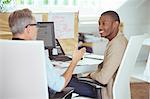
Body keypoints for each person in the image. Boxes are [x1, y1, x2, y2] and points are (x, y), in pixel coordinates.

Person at [8, 8, 86, 94]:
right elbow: (59, 85)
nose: (37, 29)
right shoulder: (36, 52)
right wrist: (74, 61)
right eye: (36, 25)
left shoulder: (5, 49)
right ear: (28, 29)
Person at [68, 10, 128, 99]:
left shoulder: (117, 44)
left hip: (104, 91)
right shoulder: (121, 40)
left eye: (104, 24)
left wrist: (91, 74)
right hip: (110, 88)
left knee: (65, 81)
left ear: (115, 24)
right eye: (99, 24)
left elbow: (103, 79)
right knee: (72, 79)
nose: (100, 27)